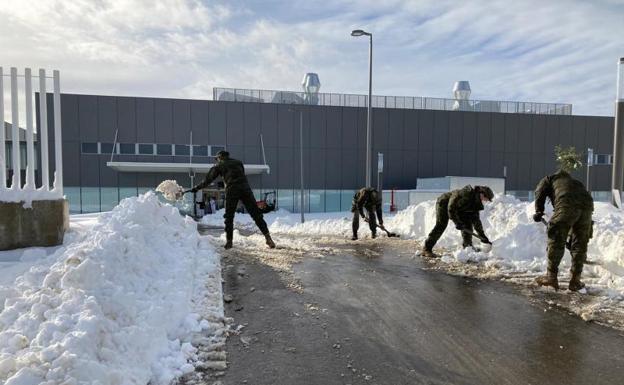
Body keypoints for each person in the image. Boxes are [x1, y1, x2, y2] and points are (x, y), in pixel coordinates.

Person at [188, 151, 275, 249]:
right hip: (246, 189)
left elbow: (208, 180)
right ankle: (268, 238)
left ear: (220, 158)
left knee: (229, 216)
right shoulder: (238, 163)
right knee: (256, 215)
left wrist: (196, 188)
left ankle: (229, 242)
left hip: (232, 190)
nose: (217, 161)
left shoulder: (219, 165)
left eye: (217, 159)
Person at [533, 169, 593, 291]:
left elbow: (539, 192)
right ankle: (575, 281)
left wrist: (539, 211)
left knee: (556, 237)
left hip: (567, 204)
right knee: (579, 243)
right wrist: (572, 238)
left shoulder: (549, 179)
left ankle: (551, 278)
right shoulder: (576, 183)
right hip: (587, 207)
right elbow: (577, 210)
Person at [420, 185, 494, 258]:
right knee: (441, 225)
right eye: (486, 199)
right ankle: (427, 249)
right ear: (481, 194)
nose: (485, 201)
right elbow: (451, 207)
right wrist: (457, 222)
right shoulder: (466, 193)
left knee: (467, 225)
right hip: (444, 203)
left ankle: (468, 248)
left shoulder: (476, 203)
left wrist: (483, 237)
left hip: (459, 209)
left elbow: (476, 221)